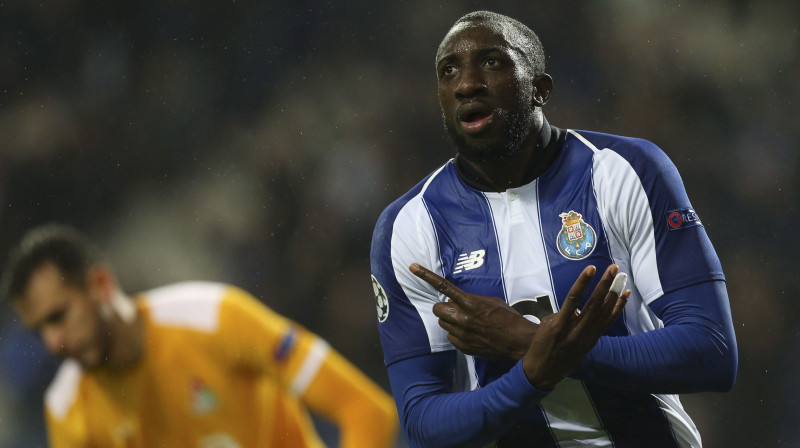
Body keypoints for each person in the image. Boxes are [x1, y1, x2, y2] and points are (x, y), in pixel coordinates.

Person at [369, 10, 737, 448]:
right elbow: (423, 422)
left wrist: (530, 341)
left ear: (539, 89)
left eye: (491, 62)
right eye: (449, 71)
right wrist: (533, 372)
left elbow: (711, 351)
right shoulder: (409, 225)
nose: (467, 83)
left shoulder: (623, 171)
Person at [2, 224, 398, 448]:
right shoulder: (68, 412)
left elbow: (366, 413)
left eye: (59, 316)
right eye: (40, 330)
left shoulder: (214, 318)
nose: (54, 343)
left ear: (101, 284)